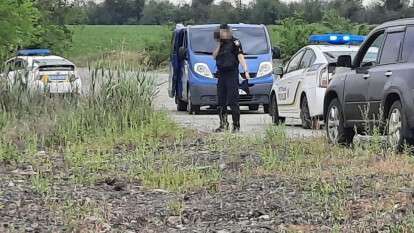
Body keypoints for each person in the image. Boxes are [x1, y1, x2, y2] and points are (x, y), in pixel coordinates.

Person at [213, 24, 250, 133]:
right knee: (221, 101)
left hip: (231, 74)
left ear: (227, 31)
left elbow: (240, 56)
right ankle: (223, 124)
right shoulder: (221, 43)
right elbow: (214, 56)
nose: (221, 34)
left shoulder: (235, 42)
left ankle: (236, 125)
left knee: (233, 101)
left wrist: (245, 69)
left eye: (223, 32)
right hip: (221, 75)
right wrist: (219, 45)